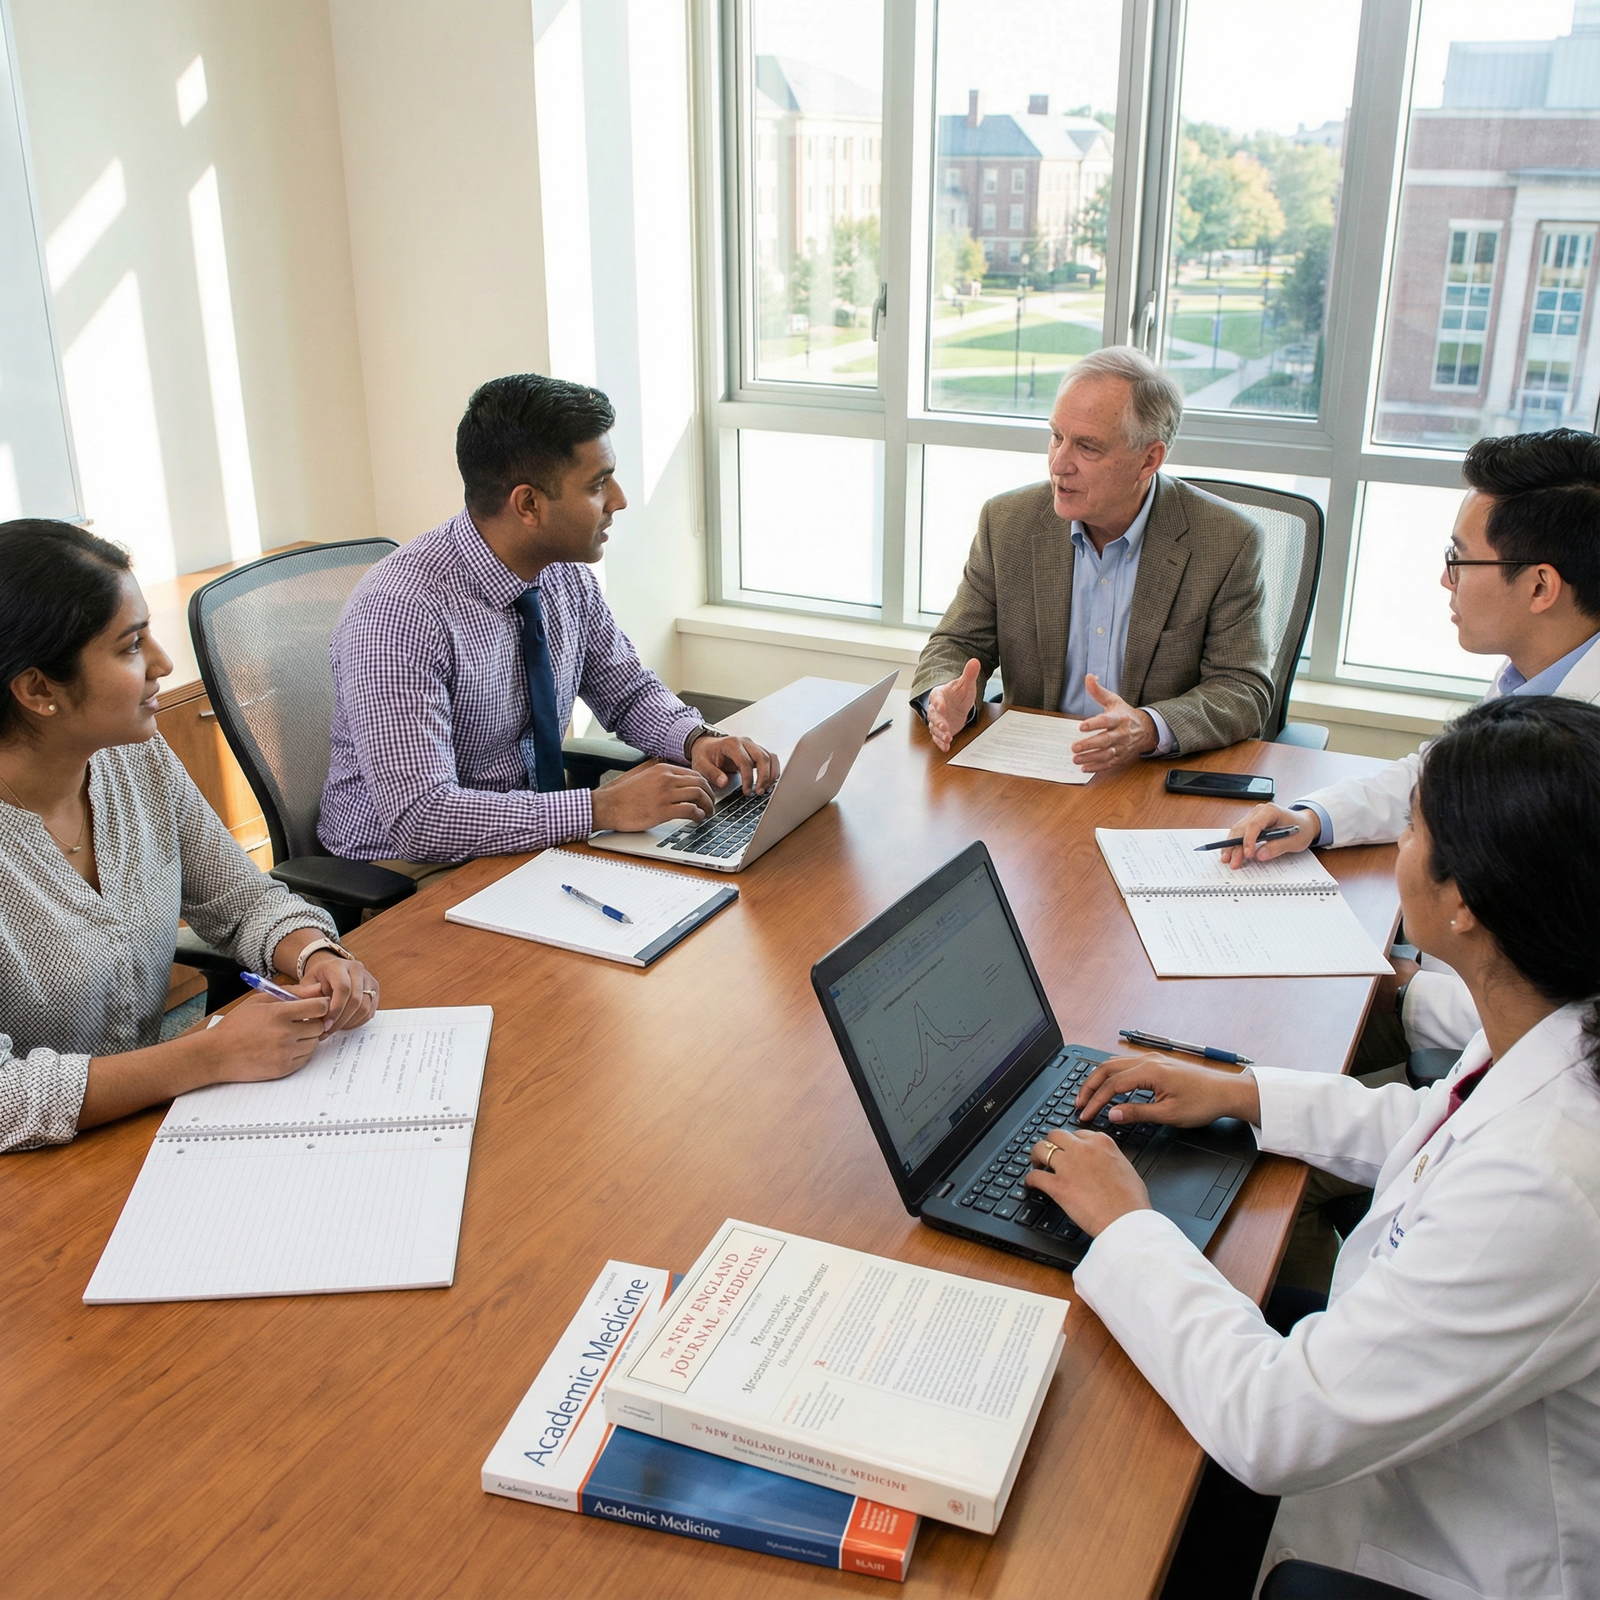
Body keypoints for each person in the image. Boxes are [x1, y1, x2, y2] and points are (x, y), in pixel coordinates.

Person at [1027, 694, 1600, 1600]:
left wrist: (1128, 1224)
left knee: (1088, 1488)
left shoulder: (1548, 1181)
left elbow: (1272, 1427)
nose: (1400, 844)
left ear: (1465, 902)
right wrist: (1241, 1093)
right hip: (1416, 1419)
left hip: (1432, 1548)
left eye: (1412, 829)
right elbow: (1436, 1126)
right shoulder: (1554, 1015)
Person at [0, 520, 380, 1156]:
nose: (163, 662)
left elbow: (243, 900)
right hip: (36, 1175)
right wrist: (208, 1054)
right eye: (130, 646)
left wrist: (314, 954)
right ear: (39, 689)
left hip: (150, 1127)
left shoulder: (132, 757)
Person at [1225, 427, 1600, 1056]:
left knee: (1261, 1018)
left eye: (1460, 558)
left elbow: (1570, 1023)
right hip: (1450, 968)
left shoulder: (1581, 753)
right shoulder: (1535, 671)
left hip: (1489, 1036)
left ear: (1540, 586)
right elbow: (1432, 774)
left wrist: (1405, 994)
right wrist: (1314, 818)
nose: (1445, 580)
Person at [319, 374, 778, 869]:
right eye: (598, 484)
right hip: (409, 873)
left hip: (530, 838)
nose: (619, 499)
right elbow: (423, 819)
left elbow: (626, 691)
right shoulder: (398, 614)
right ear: (529, 505)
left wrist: (697, 740)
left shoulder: (561, 572)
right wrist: (600, 808)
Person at [910, 346, 1273, 771]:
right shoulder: (1007, 523)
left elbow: (1242, 689)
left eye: (1087, 447)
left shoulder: (1227, 541)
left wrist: (1148, 727)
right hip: (1031, 770)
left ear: (1149, 459)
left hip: (1145, 776)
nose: (1059, 464)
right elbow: (957, 643)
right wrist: (943, 697)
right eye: (1056, 436)